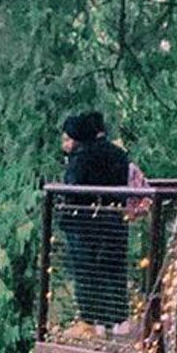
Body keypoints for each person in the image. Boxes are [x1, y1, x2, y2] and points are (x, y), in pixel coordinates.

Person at [57, 110, 138, 327]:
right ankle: (120, 320)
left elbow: (73, 190)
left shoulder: (82, 158)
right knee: (114, 271)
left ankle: (92, 321)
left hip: (84, 225)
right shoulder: (119, 154)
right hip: (115, 220)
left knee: (87, 272)